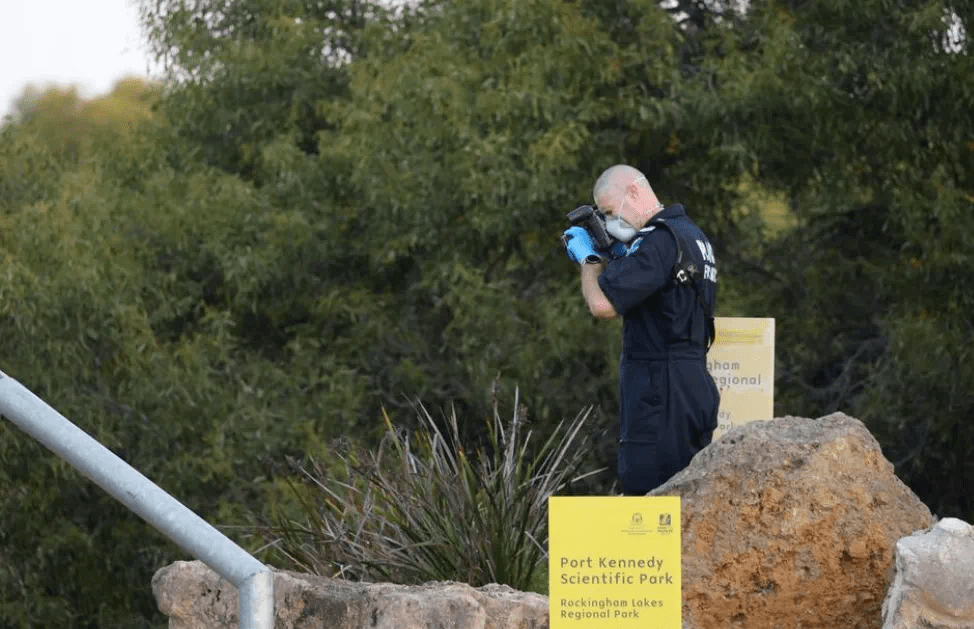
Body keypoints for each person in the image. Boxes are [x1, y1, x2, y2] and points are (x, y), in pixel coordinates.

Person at [562, 164, 719, 494]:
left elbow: (603, 305)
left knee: (647, 499)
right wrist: (620, 256)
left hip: (659, 387)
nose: (608, 222)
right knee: (689, 500)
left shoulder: (657, 240)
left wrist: (589, 262)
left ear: (633, 192)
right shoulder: (691, 235)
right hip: (692, 383)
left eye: (607, 211)